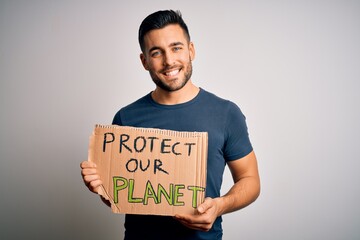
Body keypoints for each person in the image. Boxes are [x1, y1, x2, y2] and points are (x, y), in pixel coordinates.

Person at [81, 10, 260, 240]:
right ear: (144, 61)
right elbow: (121, 198)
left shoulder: (226, 113)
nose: (169, 61)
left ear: (191, 50)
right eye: (156, 53)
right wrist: (101, 188)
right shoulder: (126, 119)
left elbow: (250, 179)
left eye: (176, 48)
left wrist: (220, 206)